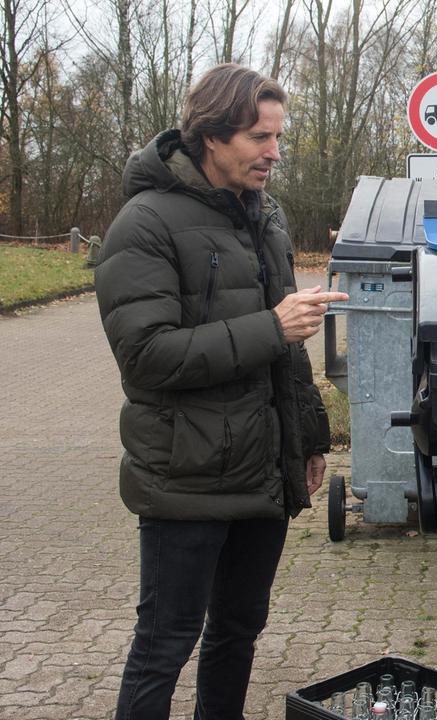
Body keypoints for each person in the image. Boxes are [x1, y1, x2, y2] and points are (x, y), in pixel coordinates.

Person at [95, 63, 348, 719]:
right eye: (259, 137)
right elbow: (146, 356)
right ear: (210, 135)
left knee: (237, 635)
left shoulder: (266, 217)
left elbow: (286, 348)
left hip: (261, 467)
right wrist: (271, 326)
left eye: (278, 136)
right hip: (186, 475)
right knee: (163, 645)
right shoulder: (143, 223)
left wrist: (311, 439)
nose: (274, 152)